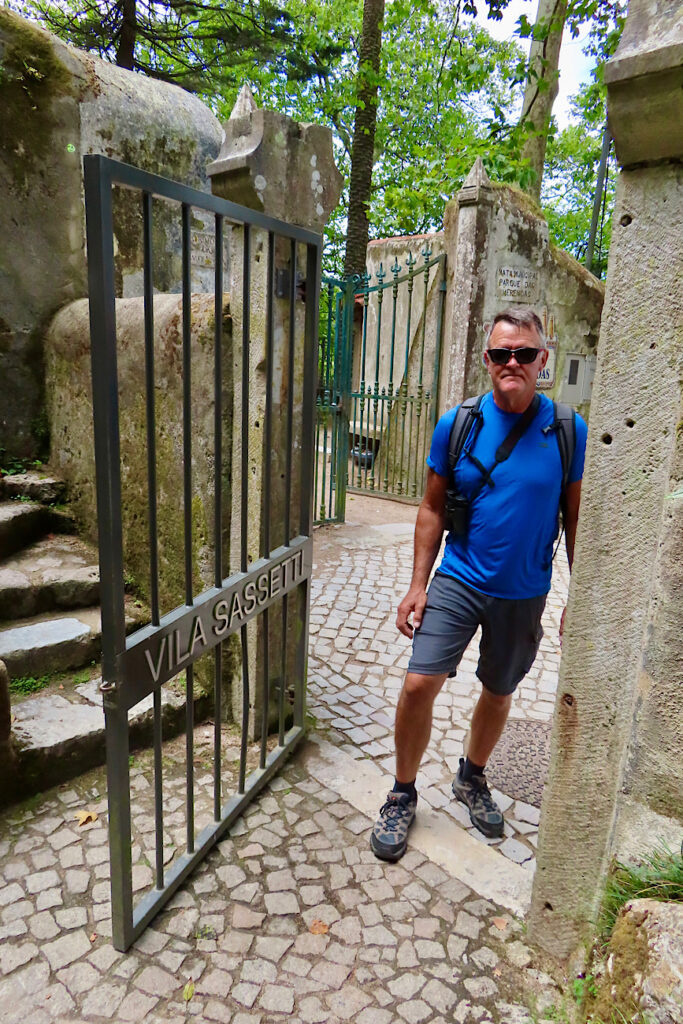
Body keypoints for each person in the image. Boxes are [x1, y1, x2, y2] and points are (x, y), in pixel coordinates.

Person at [370, 307, 587, 861]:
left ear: (544, 359)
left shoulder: (567, 430)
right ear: (487, 360)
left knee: (498, 690)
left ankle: (472, 776)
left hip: (524, 591)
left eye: (524, 353)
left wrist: (578, 596)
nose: (511, 362)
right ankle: (402, 792)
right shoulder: (458, 424)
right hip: (459, 579)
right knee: (419, 684)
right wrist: (418, 584)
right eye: (499, 354)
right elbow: (430, 508)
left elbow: (577, 519)